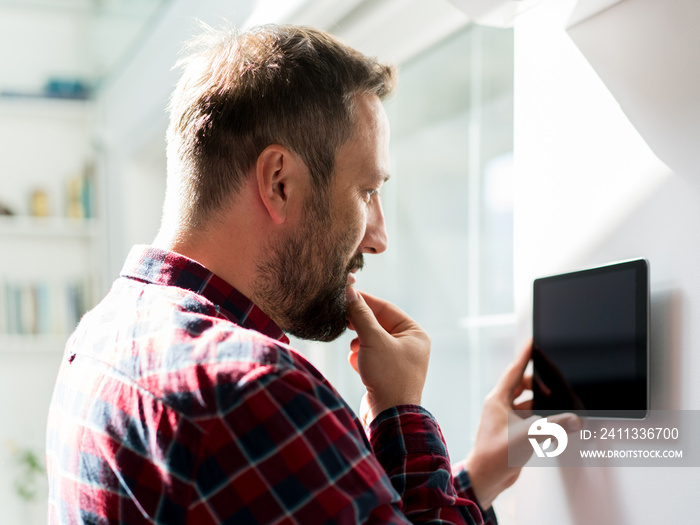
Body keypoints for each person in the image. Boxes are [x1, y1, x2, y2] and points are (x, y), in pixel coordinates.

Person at [46, 24, 578, 524]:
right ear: (279, 182)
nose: (379, 236)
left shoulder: (99, 335)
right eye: (367, 192)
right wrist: (401, 412)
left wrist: (475, 477)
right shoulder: (255, 393)